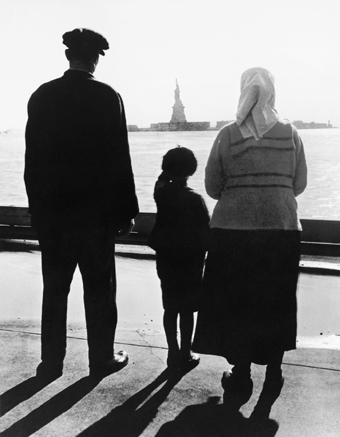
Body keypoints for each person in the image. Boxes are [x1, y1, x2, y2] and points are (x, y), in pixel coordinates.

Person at [24, 28, 139, 380]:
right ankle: (101, 358)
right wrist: (126, 211)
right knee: (99, 290)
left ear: (67, 56)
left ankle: (51, 362)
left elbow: (33, 161)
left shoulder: (42, 96)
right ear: (95, 60)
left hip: (54, 216)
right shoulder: (107, 96)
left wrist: (38, 210)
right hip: (96, 216)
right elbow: (120, 157)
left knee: (55, 289)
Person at [193, 67, 307, 405]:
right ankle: (274, 371)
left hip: (233, 234)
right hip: (281, 231)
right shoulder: (291, 133)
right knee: (277, 301)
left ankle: (240, 374)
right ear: (272, 92)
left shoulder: (228, 134)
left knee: (237, 303)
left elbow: (213, 186)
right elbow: (298, 184)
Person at [148, 147, 210, 370]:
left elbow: (161, 180)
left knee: (170, 307)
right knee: (186, 309)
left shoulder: (161, 193)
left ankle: (172, 352)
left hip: (166, 259)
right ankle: (185, 351)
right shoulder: (195, 200)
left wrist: (167, 171)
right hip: (190, 262)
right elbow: (206, 233)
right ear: (192, 170)